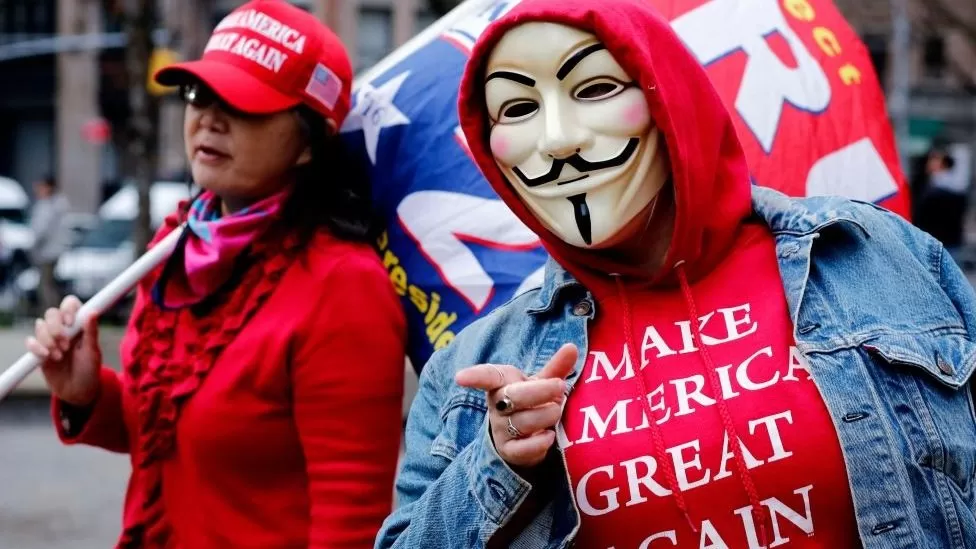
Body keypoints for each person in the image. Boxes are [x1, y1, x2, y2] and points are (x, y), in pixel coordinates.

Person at [376, 0, 976, 548]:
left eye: (595, 88)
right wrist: (497, 461)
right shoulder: (475, 367)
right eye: (519, 107)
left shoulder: (873, 253)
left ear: (672, 98)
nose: (556, 140)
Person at [26, 1, 407, 548]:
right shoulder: (173, 249)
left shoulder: (344, 286)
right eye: (199, 94)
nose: (209, 117)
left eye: (244, 104)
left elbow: (351, 523)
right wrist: (88, 394)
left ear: (307, 143)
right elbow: (169, 445)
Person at [29, 174, 71, 313]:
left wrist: (32, 244)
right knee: (50, 284)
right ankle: (54, 311)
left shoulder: (48, 206)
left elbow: (41, 229)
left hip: (46, 251)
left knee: (46, 285)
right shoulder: (58, 205)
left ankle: (51, 313)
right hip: (53, 251)